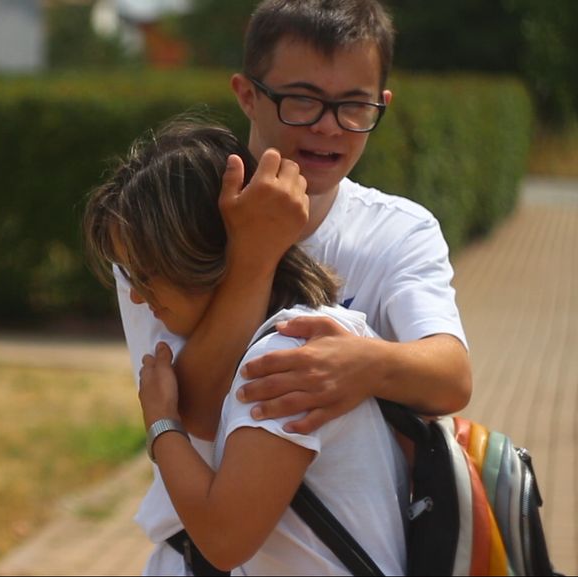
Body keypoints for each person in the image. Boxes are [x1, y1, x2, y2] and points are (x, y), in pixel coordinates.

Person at [111, 0, 471, 574]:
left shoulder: (399, 231)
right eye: (302, 99)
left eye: (354, 105)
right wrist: (255, 256)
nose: (329, 125)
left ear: (382, 104)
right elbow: (194, 410)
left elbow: (451, 377)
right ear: (247, 95)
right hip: (193, 557)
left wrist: (365, 365)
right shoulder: (173, 223)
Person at [84, 118, 407, 574]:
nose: (136, 296)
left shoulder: (287, 355)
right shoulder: (292, 335)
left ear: (198, 252)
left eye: (146, 274)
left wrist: (161, 422)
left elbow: (224, 539)